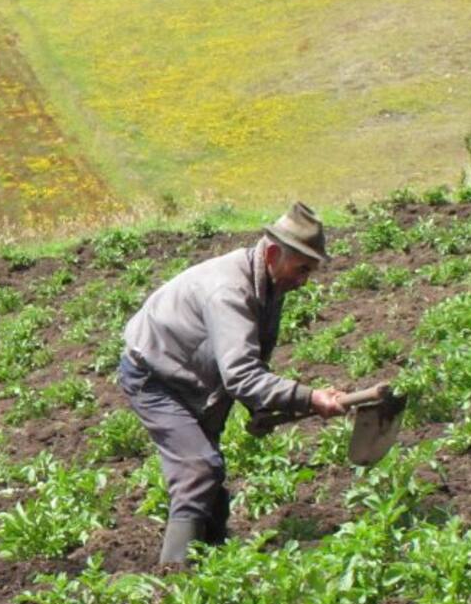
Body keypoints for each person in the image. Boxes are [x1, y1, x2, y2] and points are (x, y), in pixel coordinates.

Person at [119, 202, 347, 564]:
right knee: (198, 468)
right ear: (273, 253)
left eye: (311, 271)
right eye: (302, 268)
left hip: (197, 375)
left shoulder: (268, 283)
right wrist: (309, 398)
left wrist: (261, 407)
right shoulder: (230, 290)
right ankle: (176, 576)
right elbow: (240, 375)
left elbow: (252, 354)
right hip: (154, 374)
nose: (305, 280)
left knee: (207, 470)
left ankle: (216, 563)